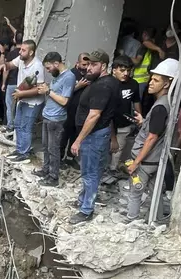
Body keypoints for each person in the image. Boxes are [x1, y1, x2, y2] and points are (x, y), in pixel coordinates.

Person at [69, 49, 119, 224]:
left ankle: (86, 210)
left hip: (94, 135)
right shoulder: (106, 82)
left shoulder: (102, 86)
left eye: (93, 65)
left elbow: (94, 115)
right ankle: (83, 200)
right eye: (88, 64)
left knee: (90, 173)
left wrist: (78, 140)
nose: (89, 68)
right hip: (98, 134)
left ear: (103, 66)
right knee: (91, 170)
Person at [126, 59, 178, 222]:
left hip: (146, 161)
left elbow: (152, 137)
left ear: (167, 84)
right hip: (156, 160)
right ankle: (158, 218)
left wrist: (136, 162)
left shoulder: (160, 107)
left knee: (136, 190)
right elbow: (156, 129)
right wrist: (144, 122)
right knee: (155, 191)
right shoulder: (167, 104)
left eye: (156, 80)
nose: (150, 83)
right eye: (152, 78)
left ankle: (131, 219)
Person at [0, 39, 45, 163]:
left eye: (23, 50)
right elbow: (10, 65)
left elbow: (39, 89)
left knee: (25, 127)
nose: (20, 52)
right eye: (20, 49)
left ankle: (24, 153)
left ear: (31, 53)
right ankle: (19, 149)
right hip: (22, 99)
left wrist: (22, 93)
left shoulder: (37, 66)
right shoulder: (21, 60)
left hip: (33, 103)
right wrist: (4, 65)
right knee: (18, 125)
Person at [33, 52, 75, 187]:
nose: (48, 71)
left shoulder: (69, 77)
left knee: (53, 149)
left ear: (56, 64)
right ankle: (46, 170)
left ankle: (53, 177)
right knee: (46, 146)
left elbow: (64, 101)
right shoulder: (58, 76)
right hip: (48, 116)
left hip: (56, 119)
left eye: (49, 67)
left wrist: (47, 91)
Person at [109, 55, 141, 173]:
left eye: (128, 70)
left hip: (124, 124)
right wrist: (113, 138)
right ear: (114, 70)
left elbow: (136, 101)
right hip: (106, 124)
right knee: (104, 149)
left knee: (118, 150)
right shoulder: (108, 83)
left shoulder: (133, 84)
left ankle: (112, 171)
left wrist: (139, 118)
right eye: (122, 70)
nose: (126, 73)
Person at [61, 52, 90, 167]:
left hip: (81, 113)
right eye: (83, 64)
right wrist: (78, 86)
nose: (86, 67)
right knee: (64, 136)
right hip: (68, 111)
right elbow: (63, 93)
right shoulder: (70, 75)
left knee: (75, 136)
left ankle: (70, 158)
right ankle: (59, 159)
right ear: (77, 63)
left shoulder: (89, 75)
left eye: (88, 64)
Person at [1, 33, 22, 131]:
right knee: (19, 107)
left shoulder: (11, 53)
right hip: (22, 85)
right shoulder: (25, 55)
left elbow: (6, 69)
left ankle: (10, 126)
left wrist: (3, 83)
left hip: (11, 83)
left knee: (10, 106)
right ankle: (18, 127)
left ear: (14, 40)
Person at [132, 27, 159, 101]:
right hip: (145, 78)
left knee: (135, 100)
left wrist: (125, 56)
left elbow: (137, 61)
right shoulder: (153, 46)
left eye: (145, 33)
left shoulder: (144, 46)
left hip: (138, 79)